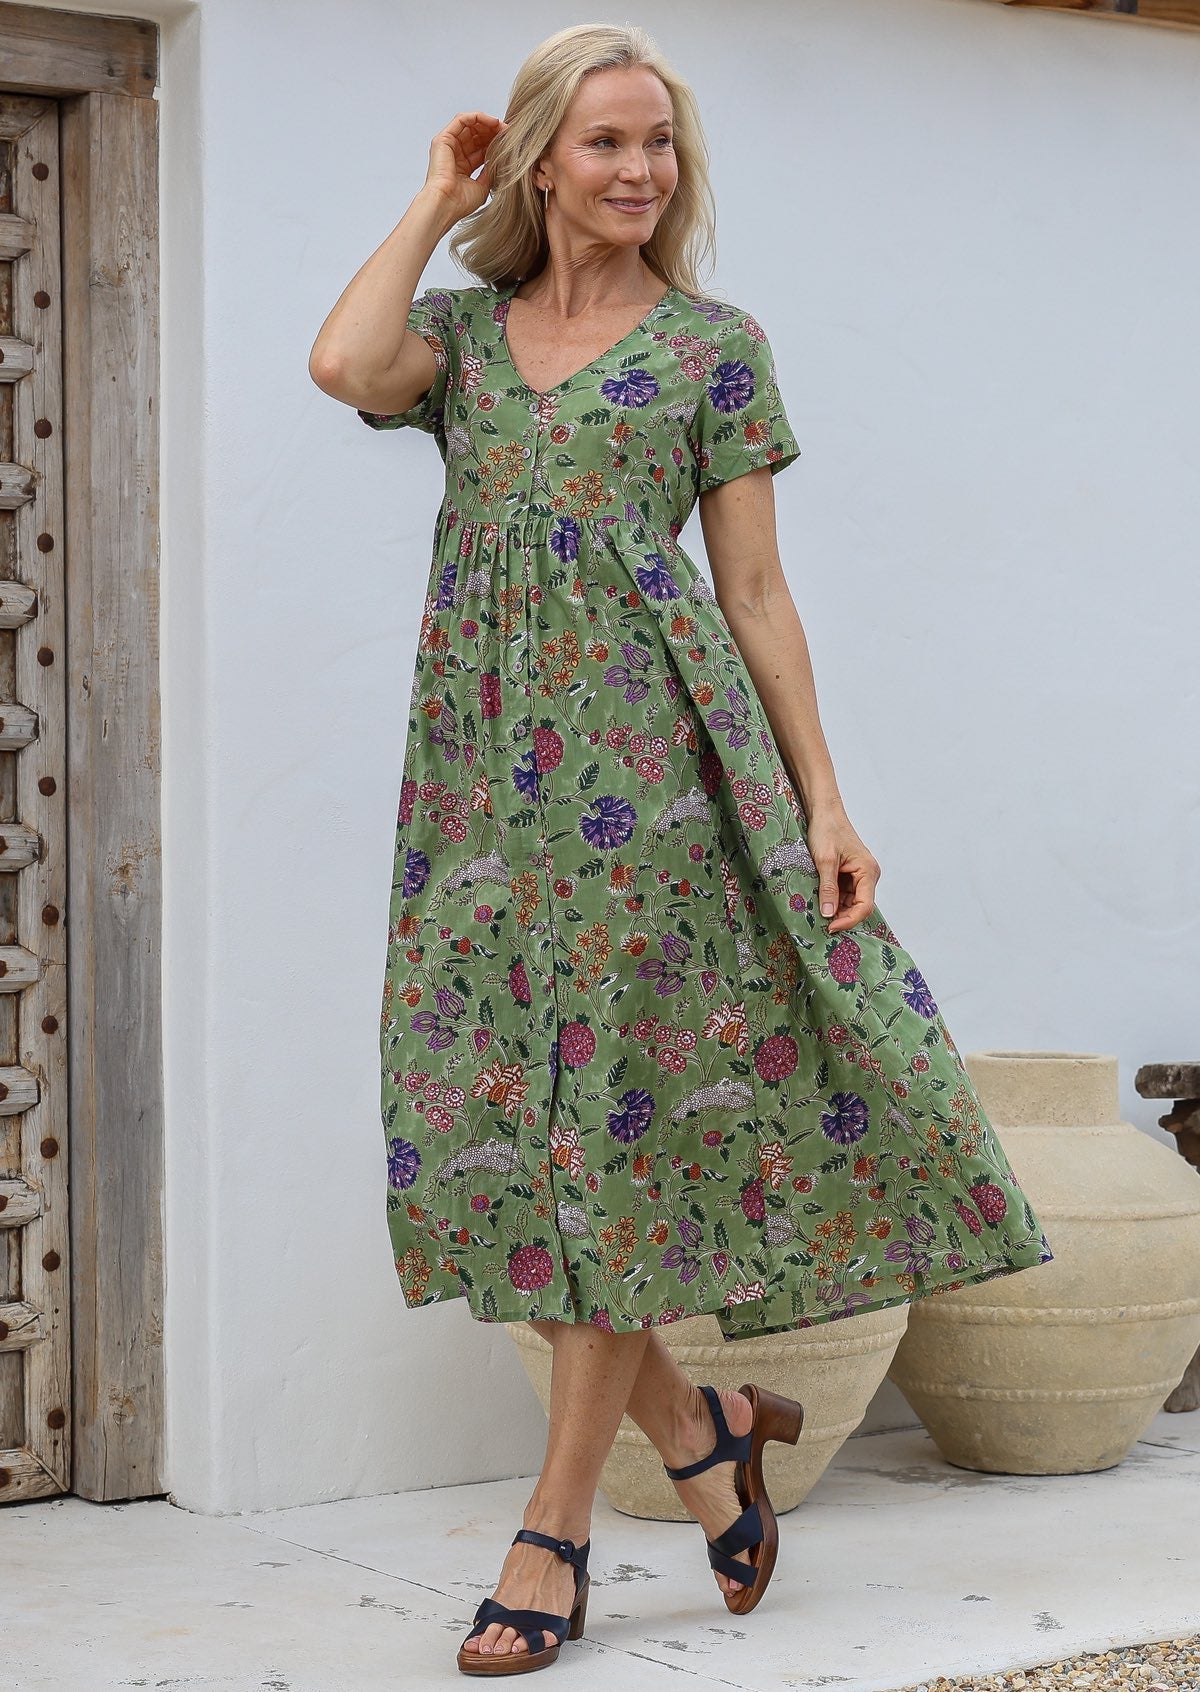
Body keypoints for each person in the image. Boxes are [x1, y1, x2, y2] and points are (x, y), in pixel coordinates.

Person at [309, 21, 1054, 1677]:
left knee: (612, 1140)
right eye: (604, 144)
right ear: (538, 160)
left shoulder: (714, 347)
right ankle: (710, 1428)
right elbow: (343, 367)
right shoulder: (466, 339)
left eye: (659, 145)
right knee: (506, 1132)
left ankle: (554, 1530)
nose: (639, 170)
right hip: (480, 784)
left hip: (656, 785)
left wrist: (825, 802)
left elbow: (760, 593)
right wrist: (435, 199)